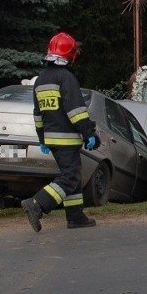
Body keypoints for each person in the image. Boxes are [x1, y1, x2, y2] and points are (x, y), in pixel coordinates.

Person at [21, 32, 101, 232]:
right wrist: (89, 133)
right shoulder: (66, 78)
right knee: (70, 177)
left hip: (52, 139)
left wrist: (43, 139)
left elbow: (38, 114)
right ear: (69, 55)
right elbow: (76, 111)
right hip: (67, 138)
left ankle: (75, 217)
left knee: (71, 175)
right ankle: (38, 204)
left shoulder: (40, 80)